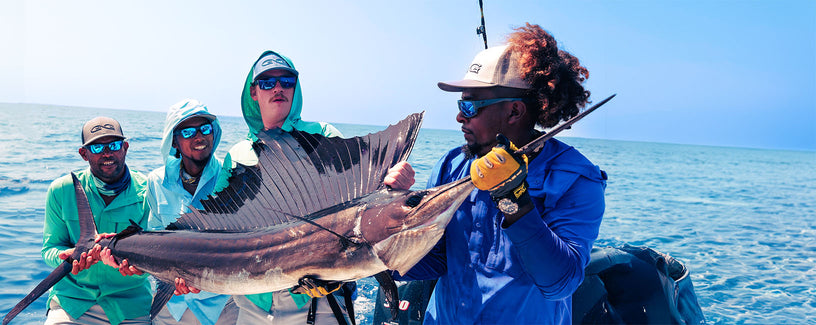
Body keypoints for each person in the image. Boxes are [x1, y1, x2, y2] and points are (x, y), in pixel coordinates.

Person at [393, 23, 608, 324]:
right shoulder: (451, 165)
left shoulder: (576, 179)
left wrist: (513, 199)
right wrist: (367, 256)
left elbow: (561, 282)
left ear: (514, 112)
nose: (458, 116)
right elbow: (438, 257)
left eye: (469, 105)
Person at [215, 50, 414, 325]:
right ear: (253, 92)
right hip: (255, 302)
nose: (278, 88)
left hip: (317, 299)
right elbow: (223, 231)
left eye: (286, 81)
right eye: (267, 82)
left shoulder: (323, 136)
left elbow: (367, 204)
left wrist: (395, 186)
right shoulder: (237, 155)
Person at [42, 116, 154, 325]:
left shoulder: (150, 190)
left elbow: (156, 255)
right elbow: (49, 249)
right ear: (83, 154)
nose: (107, 153)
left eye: (114, 145)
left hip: (130, 304)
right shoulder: (61, 190)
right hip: (73, 302)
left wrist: (139, 269)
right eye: (97, 148)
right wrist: (65, 256)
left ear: (125, 147)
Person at [142, 99, 239, 325]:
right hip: (170, 306)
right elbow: (154, 238)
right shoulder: (156, 181)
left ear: (213, 133)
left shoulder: (231, 176)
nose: (199, 137)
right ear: (174, 141)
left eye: (204, 128)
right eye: (188, 131)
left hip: (221, 306)